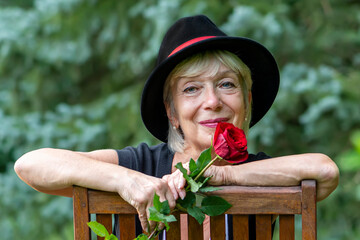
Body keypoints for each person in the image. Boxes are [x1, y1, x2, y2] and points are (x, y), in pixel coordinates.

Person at [14, 15, 339, 239]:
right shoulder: (141, 165)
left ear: (246, 100)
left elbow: (324, 171)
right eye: (192, 89)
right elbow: (30, 165)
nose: (212, 101)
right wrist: (127, 181)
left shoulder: (260, 173)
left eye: (226, 84)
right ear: (171, 111)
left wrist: (222, 175)